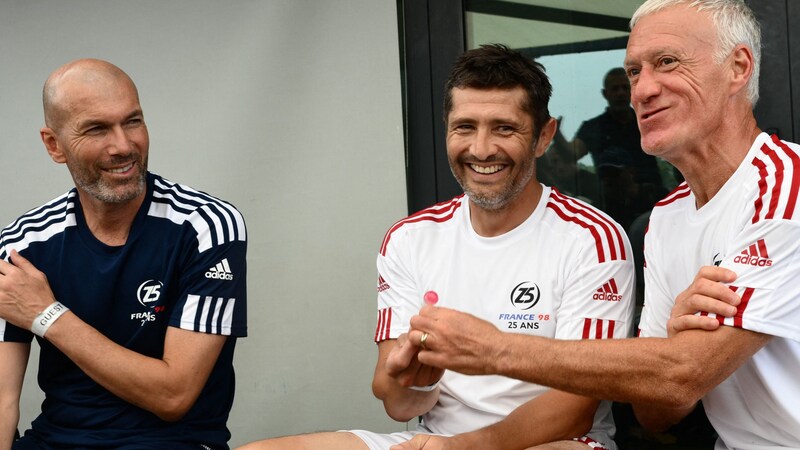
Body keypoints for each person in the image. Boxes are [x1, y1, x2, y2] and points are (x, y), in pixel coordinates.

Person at [406, 1, 800, 449]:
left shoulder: (789, 186)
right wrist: (677, 337)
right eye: (633, 72)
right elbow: (655, 413)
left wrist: (495, 348)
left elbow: (679, 377)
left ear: (738, 67)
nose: (642, 90)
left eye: (666, 62)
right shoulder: (665, 220)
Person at [237, 44, 634, 450]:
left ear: (543, 136)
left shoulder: (592, 238)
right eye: (464, 127)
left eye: (504, 128)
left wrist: (463, 447)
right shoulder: (410, 238)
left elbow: (575, 406)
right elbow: (397, 403)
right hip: (436, 441)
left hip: (560, 442)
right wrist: (415, 383)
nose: (481, 149)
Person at [0, 59, 248, 449]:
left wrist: (47, 315)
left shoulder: (207, 225)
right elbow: (2, 402)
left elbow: (173, 396)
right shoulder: (22, 243)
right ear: (54, 145)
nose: (123, 146)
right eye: (97, 129)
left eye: (132, 121)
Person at [553, 68, 668, 230]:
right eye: (615, 88)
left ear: (632, 91)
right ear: (605, 94)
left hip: (652, 202)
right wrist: (554, 133)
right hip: (610, 206)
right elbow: (571, 154)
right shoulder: (594, 127)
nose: (620, 93)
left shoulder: (649, 120)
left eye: (624, 88)